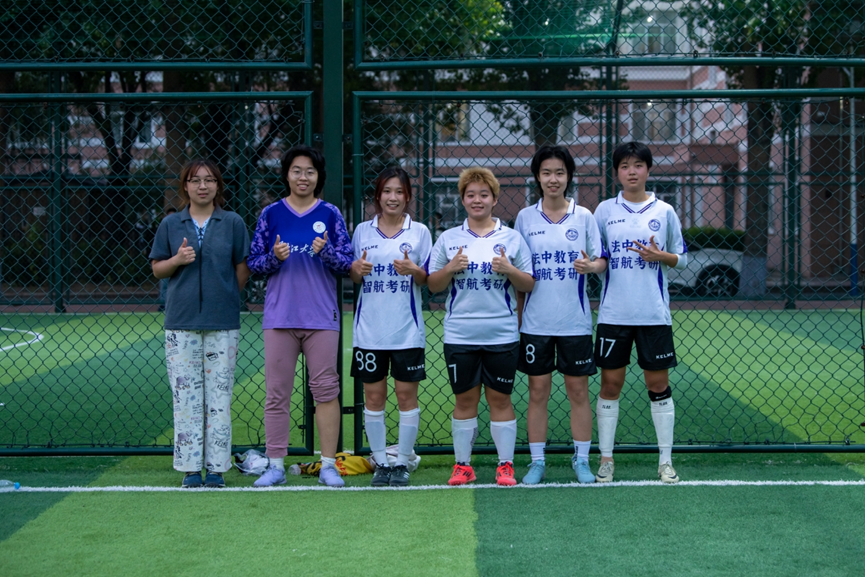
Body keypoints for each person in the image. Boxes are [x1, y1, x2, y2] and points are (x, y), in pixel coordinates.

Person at [247, 145, 353, 488]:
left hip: (321, 317)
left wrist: (327, 252)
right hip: (280, 317)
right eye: (296, 170)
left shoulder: (331, 214)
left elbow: (348, 264)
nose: (303, 177)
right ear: (286, 174)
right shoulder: (271, 214)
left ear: (318, 176)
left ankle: (328, 465)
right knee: (277, 393)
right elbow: (254, 263)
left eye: (310, 171)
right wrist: (274, 258)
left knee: (326, 391)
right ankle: (275, 465)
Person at [427, 167, 535, 486]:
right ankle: (463, 466)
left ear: (494, 199)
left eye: (484, 195)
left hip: (501, 333)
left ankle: (505, 466)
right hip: (460, 334)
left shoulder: (511, 238)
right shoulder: (449, 239)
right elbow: (433, 284)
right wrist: (450, 268)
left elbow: (528, 284)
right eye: (471, 194)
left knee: (500, 399)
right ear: (462, 199)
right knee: (465, 401)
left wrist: (509, 269)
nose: (477, 200)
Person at [149, 159, 251, 488]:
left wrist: (225, 295)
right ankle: (190, 468)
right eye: (195, 180)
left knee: (219, 398)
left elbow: (242, 267)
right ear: (185, 186)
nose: (202, 186)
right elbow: (158, 269)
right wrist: (177, 260)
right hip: (181, 322)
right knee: (186, 399)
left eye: (209, 180)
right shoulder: (171, 224)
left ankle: (217, 468)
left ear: (218, 185)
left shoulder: (232, 222)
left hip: (223, 322)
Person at [593, 141, 688, 484]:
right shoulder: (604, 210)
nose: (631, 172)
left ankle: (665, 461)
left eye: (637, 165)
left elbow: (682, 258)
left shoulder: (665, 211)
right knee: (610, 384)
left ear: (648, 169)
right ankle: (606, 459)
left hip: (653, 314)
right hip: (613, 315)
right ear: (616, 172)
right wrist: (592, 265)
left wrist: (661, 257)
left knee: (658, 384)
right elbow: (599, 257)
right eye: (624, 166)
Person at [514, 145, 605, 485]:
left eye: (560, 173)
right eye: (547, 173)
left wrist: (591, 266)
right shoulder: (525, 218)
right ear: (537, 177)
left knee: (578, 392)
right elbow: (519, 274)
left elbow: (601, 260)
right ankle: (537, 462)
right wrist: (519, 320)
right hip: (536, 323)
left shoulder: (584, 216)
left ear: (569, 177)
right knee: (537, 392)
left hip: (574, 323)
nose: (553, 179)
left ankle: (582, 459)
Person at [350, 167, 432, 487]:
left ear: (408, 196)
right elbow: (354, 275)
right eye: (387, 191)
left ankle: (402, 462)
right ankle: (381, 463)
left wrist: (414, 270)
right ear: (378, 196)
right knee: (373, 398)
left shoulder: (419, 232)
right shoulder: (363, 231)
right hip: (369, 332)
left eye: (399, 191)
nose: (392, 197)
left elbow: (428, 279)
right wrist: (356, 269)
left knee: (406, 397)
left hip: (406, 331)